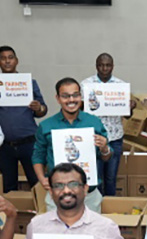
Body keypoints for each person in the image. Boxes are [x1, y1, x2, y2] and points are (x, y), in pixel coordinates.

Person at [32, 77, 112, 213]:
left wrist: (104, 148)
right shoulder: (46, 126)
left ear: (81, 96)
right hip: (57, 193)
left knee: (91, 227)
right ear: (58, 98)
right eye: (65, 96)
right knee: (56, 227)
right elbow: (38, 156)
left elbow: (106, 157)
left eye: (75, 95)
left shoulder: (94, 122)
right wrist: (41, 178)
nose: (71, 100)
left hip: (89, 193)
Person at [0, 46, 47, 193]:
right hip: (5, 146)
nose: (7, 61)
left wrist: (38, 107)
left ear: (16, 61)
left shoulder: (29, 83)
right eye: (3, 58)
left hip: (29, 143)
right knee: (8, 186)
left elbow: (43, 111)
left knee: (37, 184)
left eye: (10, 58)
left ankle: (41, 208)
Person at [82, 53, 136, 197]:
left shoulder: (120, 85)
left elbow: (127, 115)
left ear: (113, 66)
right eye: (101, 65)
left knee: (111, 177)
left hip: (115, 137)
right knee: (96, 177)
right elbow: (80, 110)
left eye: (108, 65)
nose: (104, 68)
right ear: (96, 66)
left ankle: (110, 205)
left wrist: (130, 107)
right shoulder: (86, 85)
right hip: (94, 138)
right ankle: (98, 206)